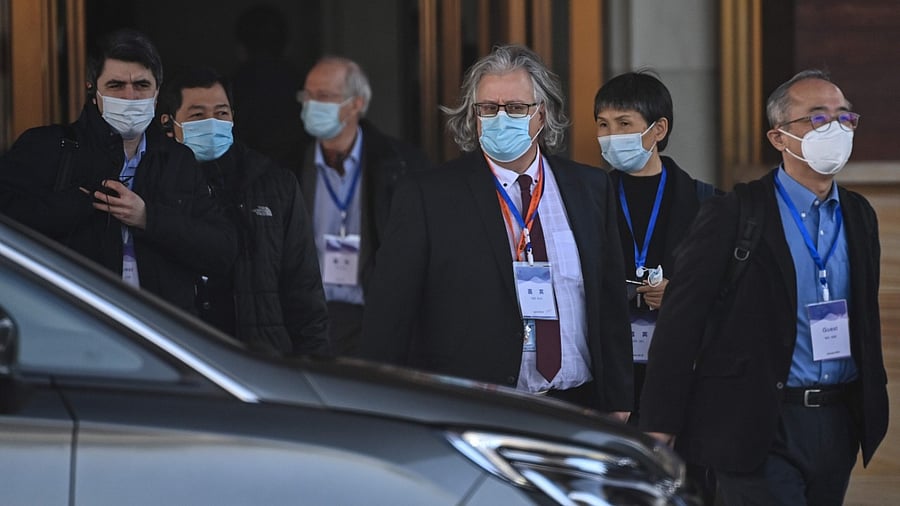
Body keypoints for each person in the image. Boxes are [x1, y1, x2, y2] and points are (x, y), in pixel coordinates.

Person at [639, 69, 888, 505]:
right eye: (816, 118)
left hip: (836, 420)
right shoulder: (736, 213)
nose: (835, 128)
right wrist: (660, 424)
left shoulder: (859, 215)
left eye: (844, 118)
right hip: (755, 422)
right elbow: (681, 324)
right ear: (778, 138)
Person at [360, 44, 633, 418]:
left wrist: (619, 403)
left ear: (543, 115)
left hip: (578, 406)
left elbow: (609, 302)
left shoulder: (590, 188)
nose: (500, 118)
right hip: (475, 410)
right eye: (488, 108)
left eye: (516, 108)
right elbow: (390, 315)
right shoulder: (428, 196)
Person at [0, 29, 236, 314]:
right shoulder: (49, 147)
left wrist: (148, 217)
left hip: (165, 333)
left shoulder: (177, 160)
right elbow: (10, 222)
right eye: (115, 85)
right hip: (74, 325)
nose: (130, 96)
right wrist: (81, 202)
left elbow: (221, 250)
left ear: (157, 91)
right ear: (93, 90)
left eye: (141, 85)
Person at [158, 66, 330, 357]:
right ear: (169, 124)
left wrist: (315, 364)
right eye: (197, 115)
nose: (212, 123)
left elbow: (303, 288)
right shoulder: (154, 183)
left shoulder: (274, 184)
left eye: (222, 113)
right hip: (182, 359)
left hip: (262, 362)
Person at [594, 71, 719, 429]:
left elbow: (724, 286)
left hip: (682, 374)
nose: (611, 136)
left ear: (658, 130)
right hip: (608, 374)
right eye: (603, 124)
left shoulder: (706, 202)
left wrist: (677, 295)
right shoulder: (586, 196)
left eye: (624, 123)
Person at [296, 56, 432, 356]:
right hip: (309, 317)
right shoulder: (289, 163)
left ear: (356, 104)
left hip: (373, 317)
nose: (311, 104)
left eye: (324, 96)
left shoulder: (399, 164)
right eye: (307, 95)